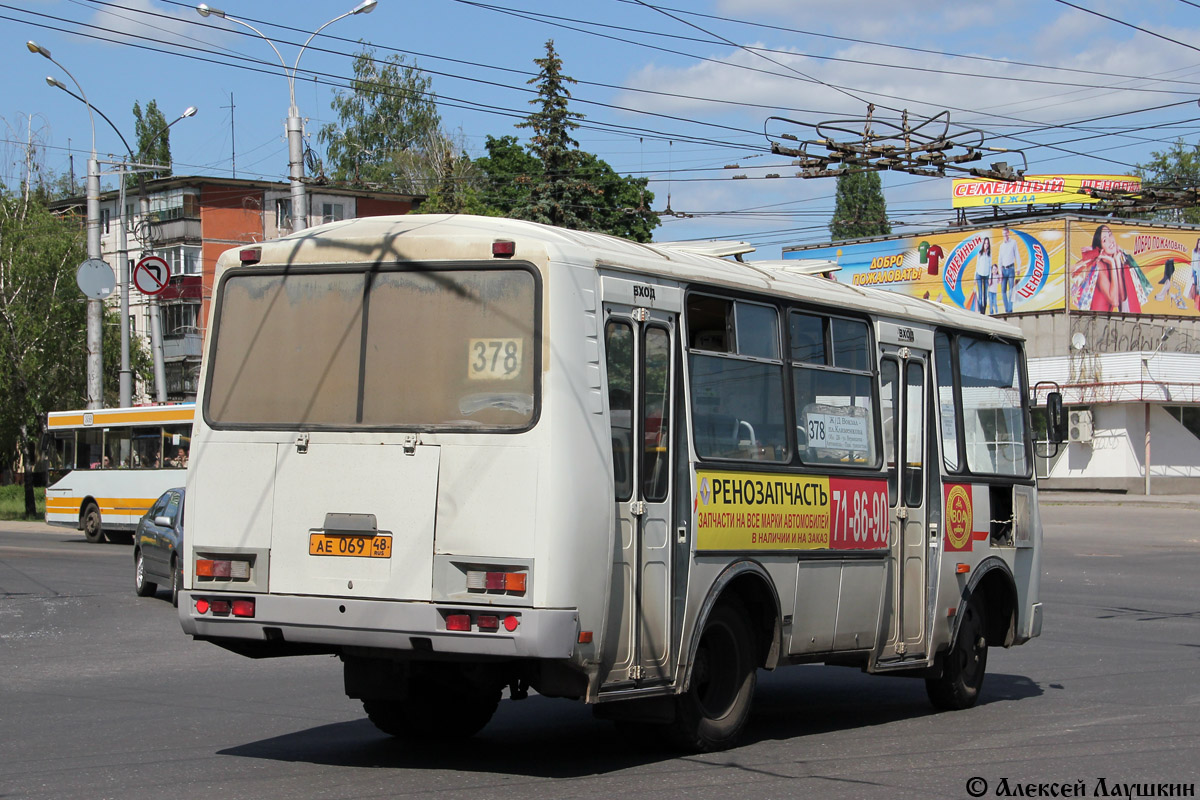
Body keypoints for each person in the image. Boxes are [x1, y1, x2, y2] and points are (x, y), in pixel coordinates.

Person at [1071, 224, 1150, 313]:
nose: (1110, 240)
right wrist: (1113, 264)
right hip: (1096, 320)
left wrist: (1117, 263)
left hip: (1109, 321)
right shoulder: (1099, 266)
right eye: (1104, 240)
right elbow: (1115, 301)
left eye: (1110, 234)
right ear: (1101, 247)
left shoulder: (1119, 260)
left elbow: (1122, 298)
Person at [997, 227, 1020, 313]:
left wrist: (1018, 268)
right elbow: (999, 260)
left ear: (1008, 233)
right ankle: (1007, 309)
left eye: (1006, 234)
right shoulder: (1001, 246)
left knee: (1011, 289)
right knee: (1003, 291)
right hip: (1003, 269)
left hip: (1011, 268)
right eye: (1003, 234)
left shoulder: (1013, 242)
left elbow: (1017, 255)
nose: (1005, 236)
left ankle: (1010, 309)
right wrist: (1000, 273)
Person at [974, 238, 992, 314]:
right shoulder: (980, 253)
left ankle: (984, 311)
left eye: (987, 243)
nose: (986, 245)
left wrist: (990, 277)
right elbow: (977, 265)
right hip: (979, 275)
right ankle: (981, 311)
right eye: (985, 243)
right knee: (980, 294)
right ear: (983, 244)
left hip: (986, 276)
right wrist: (975, 277)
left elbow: (990, 265)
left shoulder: (989, 254)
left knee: (985, 295)